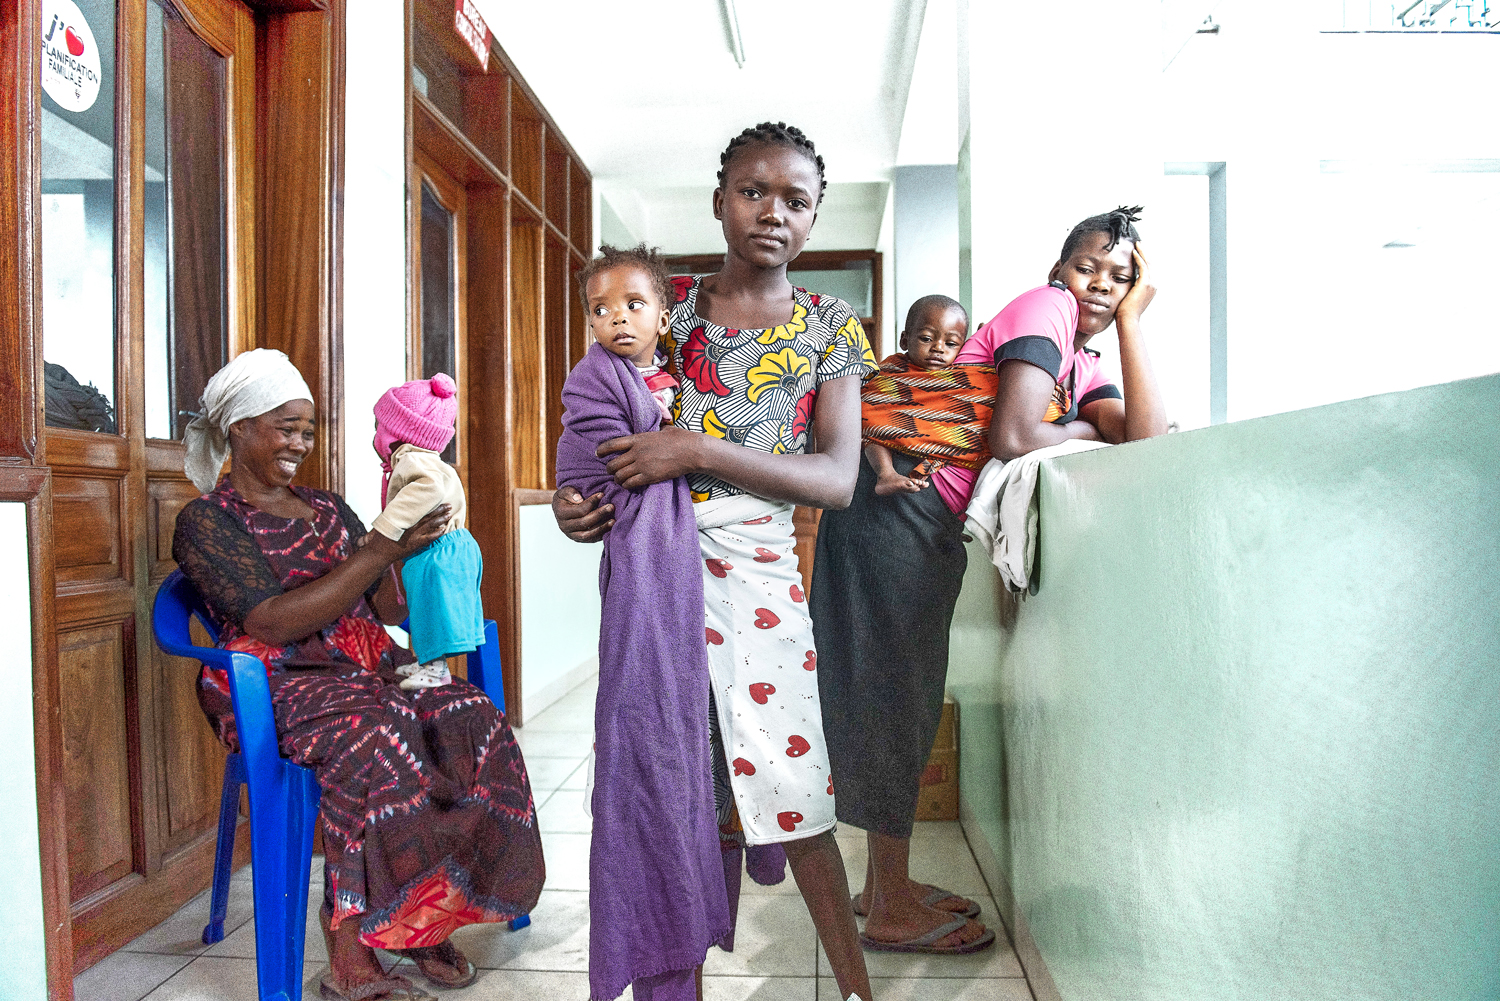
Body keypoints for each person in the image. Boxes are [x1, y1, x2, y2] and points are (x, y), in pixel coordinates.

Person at [552, 122, 876, 1001]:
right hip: (657, 577)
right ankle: (673, 983)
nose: (773, 212)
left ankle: (855, 988)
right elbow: (603, 430)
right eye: (754, 192)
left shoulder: (830, 328)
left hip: (762, 573)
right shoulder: (670, 305)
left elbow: (837, 477)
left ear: (813, 220)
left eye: (796, 200)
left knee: (790, 777)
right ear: (720, 200)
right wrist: (582, 508)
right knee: (674, 777)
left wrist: (694, 451)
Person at [811, 207, 1168, 956]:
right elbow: (1012, 435)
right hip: (894, 508)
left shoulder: (1083, 359)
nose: (1100, 285)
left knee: (904, 693)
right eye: (1088, 267)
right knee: (893, 694)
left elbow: (1144, 436)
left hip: (923, 527)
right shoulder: (1047, 310)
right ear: (1057, 272)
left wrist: (1132, 327)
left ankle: (884, 888)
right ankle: (892, 903)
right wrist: (1077, 430)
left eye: (1122, 276)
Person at [171, 349, 544, 1001]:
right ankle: (349, 952)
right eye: (283, 424)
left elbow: (386, 607)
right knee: (374, 734)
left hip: (365, 658)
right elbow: (273, 620)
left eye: (306, 426)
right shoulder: (207, 521)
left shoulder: (328, 510)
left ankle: (418, 919)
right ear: (237, 429)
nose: (300, 439)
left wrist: (423, 549)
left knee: (470, 716)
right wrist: (379, 547)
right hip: (275, 678)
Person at [371, 372, 483, 690]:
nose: (376, 433)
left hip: (439, 552)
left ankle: (435, 669)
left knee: (432, 609)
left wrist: (384, 528)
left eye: (380, 426)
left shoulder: (412, 461)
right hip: (451, 548)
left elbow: (428, 489)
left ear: (398, 433)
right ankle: (428, 663)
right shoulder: (427, 460)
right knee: (428, 609)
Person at [862, 295, 973, 497]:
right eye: (926, 339)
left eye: (950, 343)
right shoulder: (892, 369)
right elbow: (868, 405)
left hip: (940, 465)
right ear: (905, 340)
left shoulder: (959, 378)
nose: (938, 348)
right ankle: (886, 474)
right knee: (872, 426)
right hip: (886, 443)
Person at [579, 244, 682, 425]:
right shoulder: (592, 377)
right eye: (601, 311)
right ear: (593, 327)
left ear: (663, 321)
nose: (619, 318)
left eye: (634, 305)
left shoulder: (665, 368)